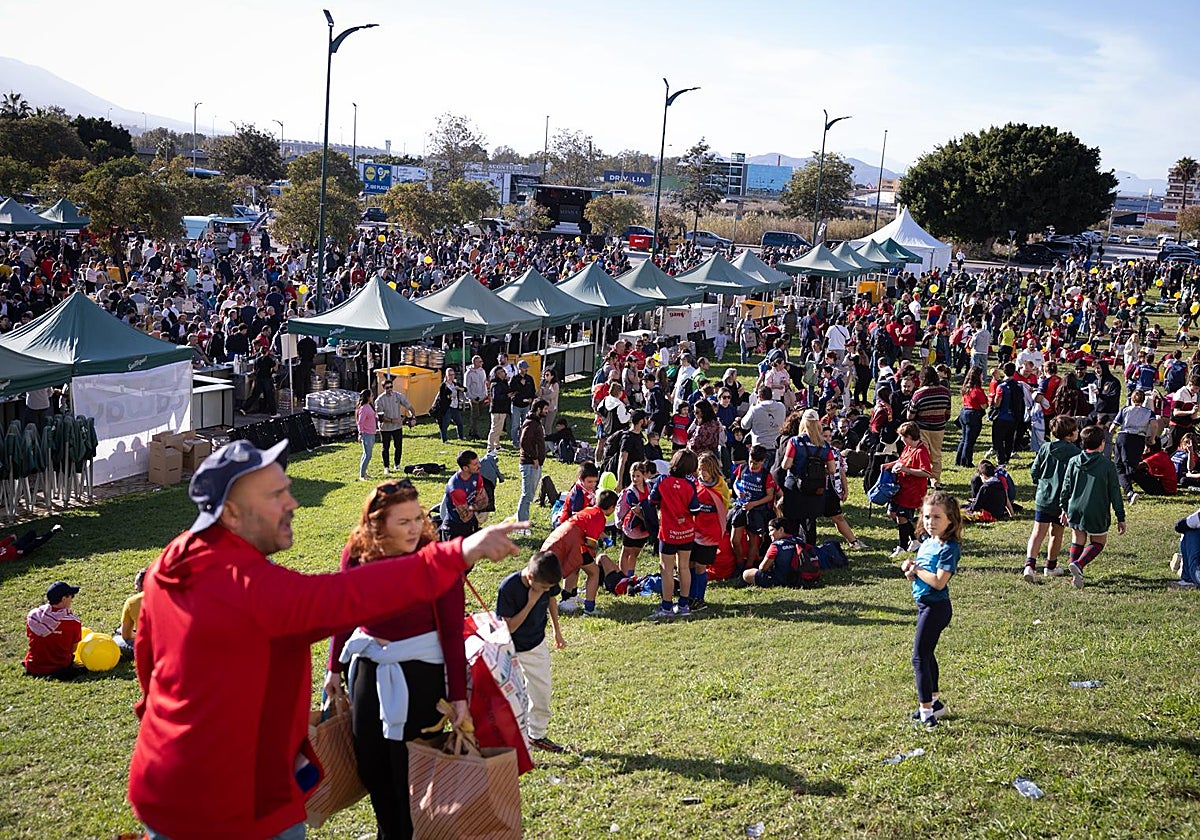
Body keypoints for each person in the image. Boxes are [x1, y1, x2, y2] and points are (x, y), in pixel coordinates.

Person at [128, 438, 524, 839]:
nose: (292, 503)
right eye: (276, 494)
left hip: (161, 784)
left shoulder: (169, 562)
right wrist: (458, 553)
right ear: (230, 512)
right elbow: (346, 598)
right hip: (235, 808)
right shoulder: (251, 588)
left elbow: (149, 667)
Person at [323, 480, 471, 840]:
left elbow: (452, 631)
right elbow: (344, 612)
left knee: (410, 771)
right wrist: (333, 670)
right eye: (402, 521)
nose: (414, 527)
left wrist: (458, 697)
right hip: (369, 669)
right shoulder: (358, 553)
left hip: (421, 675)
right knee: (372, 766)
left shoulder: (436, 558)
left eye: (417, 518)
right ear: (377, 523)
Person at [900, 491, 962, 729]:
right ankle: (935, 704)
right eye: (927, 517)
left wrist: (916, 570)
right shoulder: (927, 542)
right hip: (924, 605)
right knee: (927, 654)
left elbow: (938, 581)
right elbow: (920, 574)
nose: (930, 522)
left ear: (950, 520)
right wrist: (910, 572)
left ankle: (927, 714)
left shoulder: (949, 547)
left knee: (919, 658)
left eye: (937, 517)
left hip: (937, 608)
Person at [496, 550, 566, 753]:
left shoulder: (547, 580)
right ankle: (507, 740)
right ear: (530, 577)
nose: (546, 590)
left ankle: (537, 734)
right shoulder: (509, 588)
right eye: (543, 587)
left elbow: (552, 600)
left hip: (536, 644)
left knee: (542, 692)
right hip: (511, 649)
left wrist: (556, 632)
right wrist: (531, 602)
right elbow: (508, 628)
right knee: (512, 696)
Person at [1059, 425, 1127, 590]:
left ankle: (1075, 578)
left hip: (1075, 507)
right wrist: (1120, 516)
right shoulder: (1107, 465)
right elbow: (1114, 493)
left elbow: (1066, 486)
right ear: (1102, 443)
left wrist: (1064, 508)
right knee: (1098, 542)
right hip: (1096, 509)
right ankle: (1079, 565)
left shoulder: (1074, 461)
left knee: (1078, 540)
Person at [648, 448, 707, 619]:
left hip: (667, 533)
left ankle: (666, 607)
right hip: (687, 533)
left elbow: (652, 500)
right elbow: (695, 509)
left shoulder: (662, 480)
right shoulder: (690, 485)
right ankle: (683, 605)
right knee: (684, 567)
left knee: (666, 569)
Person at [1024, 416, 1081, 583]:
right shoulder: (1076, 454)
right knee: (1057, 533)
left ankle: (1030, 565)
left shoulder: (1045, 448)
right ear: (1070, 435)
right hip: (1063, 501)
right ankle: (1050, 566)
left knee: (1037, 532)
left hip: (1044, 496)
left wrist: (1040, 482)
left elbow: (1034, 471)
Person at [885, 422, 933, 557]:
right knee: (892, 513)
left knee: (902, 516)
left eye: (902, 437)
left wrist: (907, 470)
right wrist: (889, 465)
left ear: (910, 436)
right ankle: (915, 539)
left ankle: (902, 546)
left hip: (913, 490)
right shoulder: (908, 447)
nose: (901, 440)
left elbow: (927, 473)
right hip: (901, 488)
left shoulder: (921, 451)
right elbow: (901, 460)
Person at [690, 452, 729, 612]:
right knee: (689, 564)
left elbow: (723, 508)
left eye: (705, 469)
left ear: (713, 469)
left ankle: (700, 597)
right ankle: (689, 595)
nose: (702, 473)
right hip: (693, 532)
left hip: (709, 534)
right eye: (700, 469)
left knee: (701, 566)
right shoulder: (695, 485)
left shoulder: (721, 487)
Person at [23, 580, 84, 679]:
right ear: (64, 599)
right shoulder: (73, 622)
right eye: (71, 596)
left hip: (33, 667)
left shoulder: (33, 617)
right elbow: (73, 649)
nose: (72, 599)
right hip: (59, 667)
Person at [730, 445, 777, 572]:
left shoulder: (766, 475)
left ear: (762, 461)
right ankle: (740, 562)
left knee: (753, 541)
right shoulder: (743, 468)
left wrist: (754, 504)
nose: (752, 465)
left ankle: (749, 567)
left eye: (756, 463)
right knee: (735, 539)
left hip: (756, 511)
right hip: (741, 507)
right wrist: (737, 491)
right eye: (751, 461)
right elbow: (736, 482)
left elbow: (769, 496)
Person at [908, 366, 952, 484]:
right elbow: (948, 412)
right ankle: (935, 481)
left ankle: (923, 478)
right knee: (936, 455)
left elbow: (910, 415)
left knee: (923, 454)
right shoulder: (945, 392)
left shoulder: (919, 393)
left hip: (922, 427)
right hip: (939, 428)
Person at [1110, 388, 1155, 501]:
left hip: (1124, 437)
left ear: (1131, 399)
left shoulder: (1125, 410)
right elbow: (1154, 425)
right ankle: (1130, 489)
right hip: (1138, 438)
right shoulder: (1149, 412)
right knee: (1131, 465)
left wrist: (1112, 432)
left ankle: (1129, 491)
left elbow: (1113, 426)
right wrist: (1152, 438)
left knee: (1119, 465)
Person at [516, 400, 549, 535]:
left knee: (529, 495)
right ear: (538, 409)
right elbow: (524, 442)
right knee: (527, 495)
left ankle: (524, 520)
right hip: (530, 464)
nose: (547, 411)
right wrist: (534, 457)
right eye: (545, 409)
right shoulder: (531, 423)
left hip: (535, 464)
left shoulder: (535, 422)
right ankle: (521, 526)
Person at [439, 449, 488, 542]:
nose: (479, 466)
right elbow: (465, 517)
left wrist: (470, 507)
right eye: (475, 464)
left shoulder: (476, 475)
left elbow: (485, 501)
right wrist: (476, 504)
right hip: (454, 529)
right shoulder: (456, 488)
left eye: (478, 462)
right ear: (465, 468)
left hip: (471, 524)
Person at [742, 517, 797, 588]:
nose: (769, 534)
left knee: (746, 574)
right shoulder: (798, 541)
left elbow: (762, 568)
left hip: (779, 580)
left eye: (772, 530)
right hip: (797, 579)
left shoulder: (776, 546)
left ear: (781, 530)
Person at [956, 366, 989, 467]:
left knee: (964, 439)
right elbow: (984, 405)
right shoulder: (977, 390)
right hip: (973, 415)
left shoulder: (966, 388)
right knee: (970, 441)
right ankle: (966, 461)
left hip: (964, 412)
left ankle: (959, 460)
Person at [113, 568, 147, 660]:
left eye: (136, 584)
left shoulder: (132, 602)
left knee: (116, 640)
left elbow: (126, 636)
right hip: (175, 646)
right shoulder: (172, 595)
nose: (135, 588)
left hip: (149, 649)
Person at [433, 368, 466, 444]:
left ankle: (461, 437)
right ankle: (445, 440)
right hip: (447, 407)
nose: (451, 376)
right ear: (446, 376)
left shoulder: (455, 384)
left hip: (455, 406)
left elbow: (465, 389)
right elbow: (442, 397)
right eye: (449, 375)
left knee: (460, 423)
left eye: (453, 374)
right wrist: (450, 396)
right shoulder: (443, 386)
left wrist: (459, 388)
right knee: (445, 424)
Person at [509, 360, 536, 447]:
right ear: (519, 368)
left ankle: (524, 440)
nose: (526, 369)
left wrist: (531, 399)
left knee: (525, 424)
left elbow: (533, 390)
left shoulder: (529, 378)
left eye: (527, 367)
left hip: (526, 405)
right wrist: (521, 385)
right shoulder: (514, 379)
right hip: (516, 405)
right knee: (515, 425)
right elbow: (512, 391)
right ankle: (515, 442)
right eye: (524, 368)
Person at [464, 355, 490, 440]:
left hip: (482, 396)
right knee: (475, 415)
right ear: (474, 362)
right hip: (474, 397)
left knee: (480, 415)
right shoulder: (469, 373)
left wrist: (486, 394)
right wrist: (470, 398)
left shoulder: (482, 371)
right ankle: (473, 432)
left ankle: (477, 430)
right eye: (480, 361)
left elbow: (484, 383)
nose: (482, 363)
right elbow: (466, 387)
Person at [487, 365, 511, 453]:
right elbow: (496, 397)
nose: (504, 373)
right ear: (497, 374)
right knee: (495, 428)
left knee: (499, 429)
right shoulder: (495, 384)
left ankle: (497, 445)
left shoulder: (503, 383)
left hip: (503, 408)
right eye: (501, 372)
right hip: (497, 409)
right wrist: (506, 396)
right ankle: (490, 447)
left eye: (503, 372)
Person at [356, 389, 377, 481]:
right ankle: (361, 475)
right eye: (372, 395)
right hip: (366, 434)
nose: (373, 397)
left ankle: (363, 473)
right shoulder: (364, 408)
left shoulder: (369, 406)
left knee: (366, 454)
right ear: (368, 397)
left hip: (371, 433)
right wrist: (360, 433)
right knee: (368, 455)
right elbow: (360, 422)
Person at [539, 367, 560, 435]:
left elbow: (552, 396)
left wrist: (542, 397)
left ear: (552, 376)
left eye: (547, 375)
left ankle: (548, 441)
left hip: (551, 408)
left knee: (548, 426)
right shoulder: (544, 384)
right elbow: (538, 394)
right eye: (545, 375)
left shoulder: (555, 385)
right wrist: (540, 388)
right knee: (542, 425)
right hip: (543, 408)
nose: (545, 376)